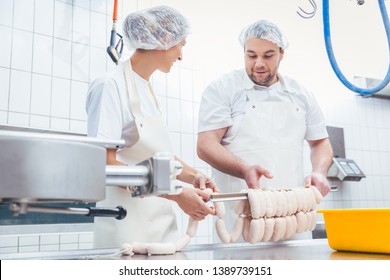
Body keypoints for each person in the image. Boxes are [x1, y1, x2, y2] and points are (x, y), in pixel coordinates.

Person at [86, 6, 218, 249]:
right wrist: (176, 193)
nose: (180, 56)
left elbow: (158, 157)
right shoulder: (110, 86)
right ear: (165, 40)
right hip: (125, 226)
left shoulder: (145, 87)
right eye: (182, 45)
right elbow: (104, 165)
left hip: (161, 229)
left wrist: (194, 176)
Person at [197, 19, 333, 239]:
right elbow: (205, 145)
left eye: (268, 56)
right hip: (241, 217)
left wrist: (319, 171)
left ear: (281, 53)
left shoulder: (301, 94)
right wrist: (244, 168)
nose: (259, 63)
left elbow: (320, 142)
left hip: (293, 215)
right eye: (251, 55)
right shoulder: (222, 89)